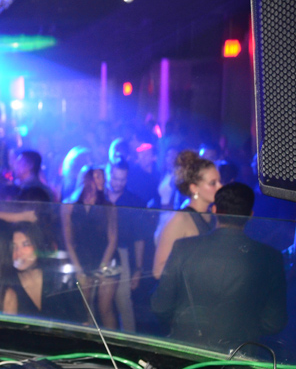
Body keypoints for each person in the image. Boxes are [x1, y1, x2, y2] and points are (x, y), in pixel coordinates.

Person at [151, 183, 287, 351]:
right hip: (239, 355)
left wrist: (184, 325)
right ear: (250, 215)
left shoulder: (183, 248)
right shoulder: (271, 258)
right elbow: (274, 322)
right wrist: (244, 329)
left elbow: (160, 306)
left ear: (214, 210)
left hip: (187, 350)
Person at [61, 167, 119, 328]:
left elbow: (113, 240)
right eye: (98, 176)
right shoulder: (69, 206)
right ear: (87, 179)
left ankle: (111, 342)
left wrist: (102, 268)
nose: (103, 180)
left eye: (103, 177)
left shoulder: (108, 206)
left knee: (105, 309)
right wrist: (78, 269)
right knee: (84, 311)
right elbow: (68, 241)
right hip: (82, 259)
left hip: (107, 260)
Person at [153, 150, 222, 278]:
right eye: (213, 183)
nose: (220, 187)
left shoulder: (213, 216)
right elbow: (158, 271)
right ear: (194, 188)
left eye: (219, 181)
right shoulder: (180, 219)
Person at [11, 222, 84, 321]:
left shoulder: (59, 279)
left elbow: (80, 319)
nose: (18, 252)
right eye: (13, 247)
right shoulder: (8, 285)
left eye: (26, 244)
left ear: (37, 246)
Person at [105, 161, 145, 331]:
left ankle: (129, 340)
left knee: (124, 302)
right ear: (108, 174)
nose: (118, 183)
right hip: (98, 252)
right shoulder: (97, 197)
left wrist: (138, 269)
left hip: (122, 255)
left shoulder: (134, 202)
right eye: (115, 178)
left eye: (122, 180)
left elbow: (139, 238)